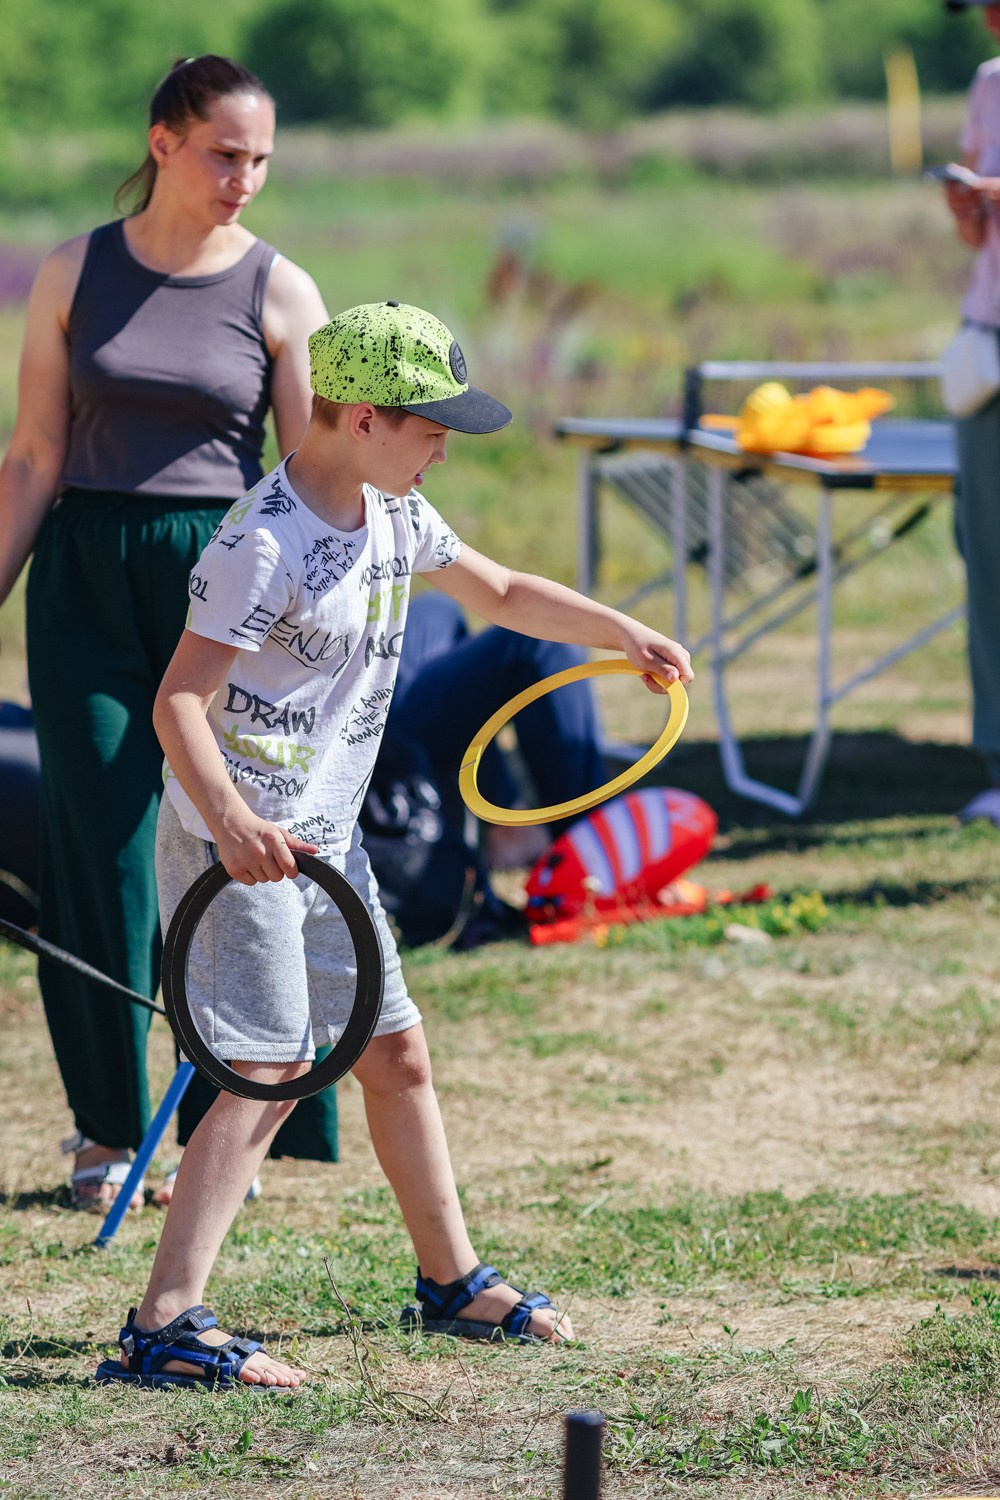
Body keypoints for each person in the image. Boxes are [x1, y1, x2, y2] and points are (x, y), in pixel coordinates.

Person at [95, 300, 694, 1386]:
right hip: (245, 842)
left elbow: (502, 592)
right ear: (361, 417)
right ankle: (163, 1325)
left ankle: (451, 1283)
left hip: (330, 839)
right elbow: (180, 702)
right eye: (431, 426)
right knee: (270, 1067)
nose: (444, 447)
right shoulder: (262, 542)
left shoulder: (393, 514)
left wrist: (621, 630)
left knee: (393, 1050)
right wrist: (232, 821)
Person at [0, 55, 339, 1212]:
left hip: (226, 576)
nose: (244, 179)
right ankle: (103, 1133)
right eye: (223, 154)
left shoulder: (283, 291)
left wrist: (320, 619)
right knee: (95, 845)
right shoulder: (70, 272)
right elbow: (35, 457)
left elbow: (310, 478)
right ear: (163, 143)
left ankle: (224, 1121)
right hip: (85, 572)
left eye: (260, 160)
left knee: (221, 844)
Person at [942, 2, 1000, 825]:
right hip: (988, 346)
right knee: (988, 559)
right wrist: (971, 215)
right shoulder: (990, 84)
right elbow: (979, 241)